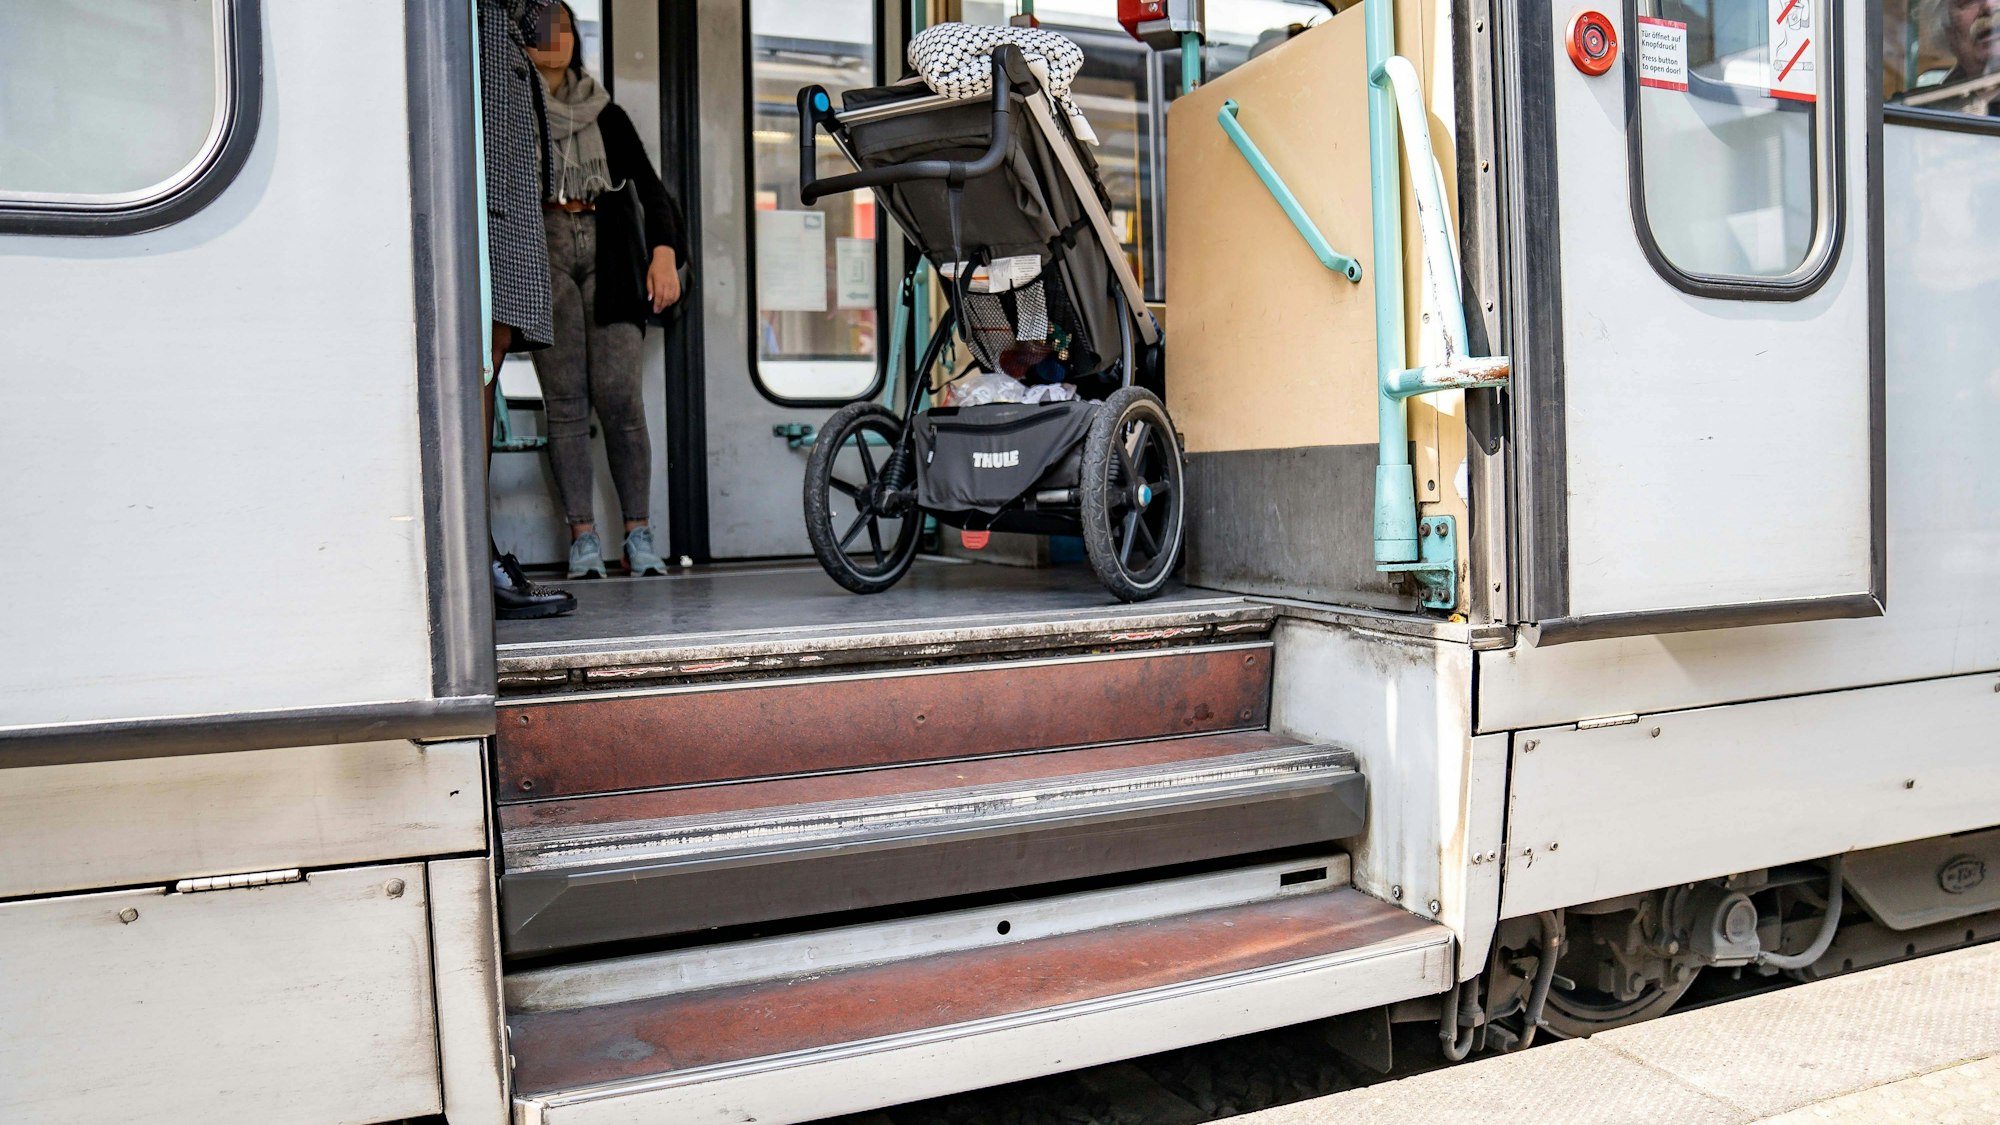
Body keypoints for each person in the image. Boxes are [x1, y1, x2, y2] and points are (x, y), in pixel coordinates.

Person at [525, 2, 687, 579]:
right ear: (521, 38)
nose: (556, 37)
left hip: (611, 252)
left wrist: (665, 253)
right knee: (564, 405)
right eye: (543, 26)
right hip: (542, 250)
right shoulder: (515, 112)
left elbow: (652, 190)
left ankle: (639, 536)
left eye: (565, 26)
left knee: (621, 400)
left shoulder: (606, 113)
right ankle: (583, 539)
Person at [481, 0, 578, 618]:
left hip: (501, 215)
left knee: (480, 380)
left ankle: (476, 550)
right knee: (474, 380)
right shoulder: (483, 34)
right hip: (491, 216)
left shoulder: (501, 34)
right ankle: (475, 558)